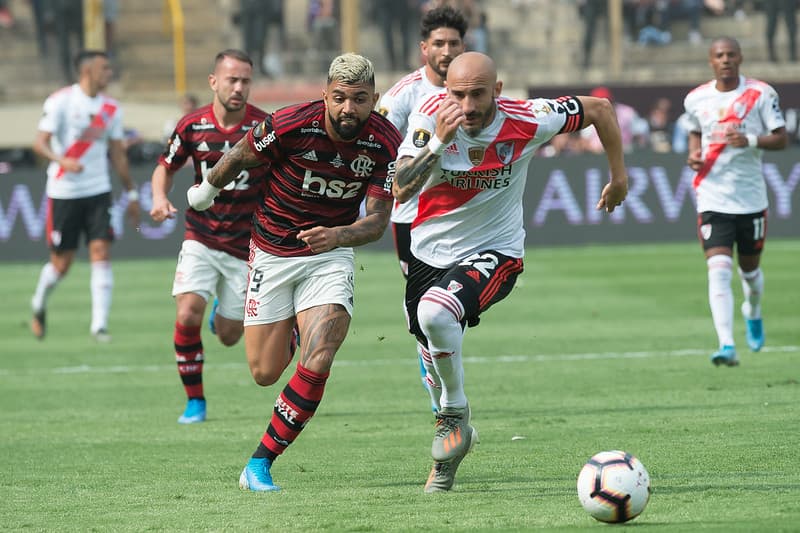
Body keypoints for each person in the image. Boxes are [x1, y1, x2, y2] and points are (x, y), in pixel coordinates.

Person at [392, 51, 628, 493]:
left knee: (436, 314)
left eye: (477, 94)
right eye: (457, 94)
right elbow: (401, 187)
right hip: (428, 253)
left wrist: (619, 177)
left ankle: (456, 414)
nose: (466, 105)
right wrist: (438, 142)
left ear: (497, 91)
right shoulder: (429, 117)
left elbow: (600, 110)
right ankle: (454, 436)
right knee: (428, 349)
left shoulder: (530, 118)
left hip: (495, 251)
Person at [186, 53, 402, 491]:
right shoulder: (289, 124)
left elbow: (377, 222)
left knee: (321, 354)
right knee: (264, 373)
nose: (348, 109)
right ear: (325, 94)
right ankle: (292, 328)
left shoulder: (384, 143)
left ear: (374, 100)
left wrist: (338, 236)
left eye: (359, 100)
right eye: (339, 98)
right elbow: (240, 154)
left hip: (330, 256)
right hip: (271, 252)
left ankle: (260, 463)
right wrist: (207, 190)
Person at [149, 50, 270, 424]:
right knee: (187, 313)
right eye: (232, 80)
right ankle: (195, 402)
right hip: (200, 236)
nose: (239, 87)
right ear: (214, 82)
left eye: (245, 80)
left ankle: (224, 314)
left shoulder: (265, 127)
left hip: (245, 245)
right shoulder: (192, 125)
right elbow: (164, 167)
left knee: (231, 337)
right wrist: (158, 198)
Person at [377, 5, 467, 415]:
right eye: (439, 44)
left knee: (452, 308)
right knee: (427, 308)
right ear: (423, 49)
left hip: (463, 213)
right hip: (412, 216)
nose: (447, 51)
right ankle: (440, 392)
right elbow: (375, 148)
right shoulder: (402, 97)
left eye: (454, 43)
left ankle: (443, 375)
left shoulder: (473, 88)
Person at [683, 37, 788, 367]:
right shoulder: (696, 98)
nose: (725, 59)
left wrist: (750, 139)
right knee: (718, 270)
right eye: (719, 55)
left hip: (750, 199)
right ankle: (726, 343)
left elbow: (782, 138)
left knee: (750, 273)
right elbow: (694, 130)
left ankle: (753, 311)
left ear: (740, 58)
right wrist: (694, 154)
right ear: (710, 61)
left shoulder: (760, 93)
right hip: (712, 198)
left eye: (730, 54)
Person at [29, 50, 140, 342]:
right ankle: (38, 304)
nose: (109, 73)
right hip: (64, 191)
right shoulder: (61, 101)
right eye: (105, 68)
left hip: (98, 191)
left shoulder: (111, 108)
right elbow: (39, 143)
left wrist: (131, 193)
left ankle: (99, 326)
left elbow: (117, 153)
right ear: (87, 71)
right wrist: (61, 160)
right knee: (61, 264)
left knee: (101, 252)